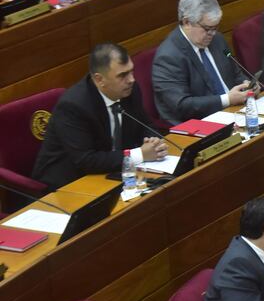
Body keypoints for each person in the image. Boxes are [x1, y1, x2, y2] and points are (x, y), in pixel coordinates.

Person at [32, 43, 167, 191]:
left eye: (131, 71)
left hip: (112, 173)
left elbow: (146, 124)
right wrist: (139, 154)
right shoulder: (73, 106)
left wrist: (153, 141)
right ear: (99, 79)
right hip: (69, 183)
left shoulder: (129, 90)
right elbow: (86, 160)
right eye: (122, 75)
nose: (131, 79)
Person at [152, 0, 250, 125]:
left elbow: (236, 73)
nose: (212, 33)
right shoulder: (168, 57)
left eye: (215, 27)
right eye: (207, 28)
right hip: (201, 126)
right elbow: (182, 105)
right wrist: (227, 99)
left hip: (237, 114)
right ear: (186, 22)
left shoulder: (217, 40)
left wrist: (248, 85)